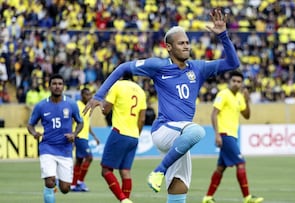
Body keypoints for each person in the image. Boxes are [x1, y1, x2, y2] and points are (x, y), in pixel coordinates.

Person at [83, 8, 240, 203]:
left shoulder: (198, 68)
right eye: (181, 43)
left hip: (180, 137)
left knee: (179, 189)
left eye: (187, 43)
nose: (186, 46)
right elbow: (123, 67)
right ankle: (158, 171)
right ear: (169, 47)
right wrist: (99, 95)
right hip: (164, 130)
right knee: (198, 132)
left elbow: (233, 63)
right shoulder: (158, 66)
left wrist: (223, 35)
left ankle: (162, 174)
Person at [202, 71, 263, 203]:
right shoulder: (223, 94)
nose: (236, 84)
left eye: (239, 82)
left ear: (242, 84)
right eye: (234, 81)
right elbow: (214, 114)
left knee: (220, 168)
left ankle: (208, 197)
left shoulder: (240, 97)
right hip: (225, 134)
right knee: (241, 163)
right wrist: (217, 134)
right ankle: (247, 197)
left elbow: (247, 116)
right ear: (230, 82)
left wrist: (247, 100)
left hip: (232, 135)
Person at [27, 74, 84, 203]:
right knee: (49, 181)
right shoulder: (41, 106)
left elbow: (80, 122)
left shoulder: (71, 104)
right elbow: (30, 124)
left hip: (65, 149)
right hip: (47, 147)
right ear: (49, 86)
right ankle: (52, 183)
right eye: (54, 84)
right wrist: (34, 133)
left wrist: (74, 134)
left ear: (63, 86)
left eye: (59, 84)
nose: (57, 86)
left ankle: (57, 182)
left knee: (65, 189)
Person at [100, 72, 147, 203]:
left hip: (119, 132)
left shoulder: (117, 86)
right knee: (125, 171)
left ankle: (123, 199)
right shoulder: (141, 91)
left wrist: (101, 104)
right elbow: (142, 119)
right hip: (134, 136)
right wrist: (137, 133)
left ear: (120, 76)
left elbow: (105, 110)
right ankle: (126, 200)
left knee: (106, 170)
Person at [71, 87, 100, 192]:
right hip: (79, 136)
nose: (89, 97)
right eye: (87, 95)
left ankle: (73, 185)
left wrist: (94, 136)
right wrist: (72, 135)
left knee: (79, 160)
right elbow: (72, 120)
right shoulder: (77, 105)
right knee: (89, 157)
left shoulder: (88, 106)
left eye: (90, 95)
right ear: (82, 95)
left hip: (85, 137)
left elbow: (87, 123)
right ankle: (80, 181)